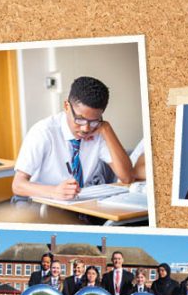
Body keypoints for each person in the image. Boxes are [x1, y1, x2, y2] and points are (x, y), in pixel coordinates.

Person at [12, 76, 132, 206]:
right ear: (66, 106)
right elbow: (18, 185)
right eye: (80, 119)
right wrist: (54, 191)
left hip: (77, 203)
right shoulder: (43, 132)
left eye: (93, 121)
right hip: (38, 201)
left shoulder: (99, 130)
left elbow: (127, 177)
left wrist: (107, 129)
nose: (85, 128)